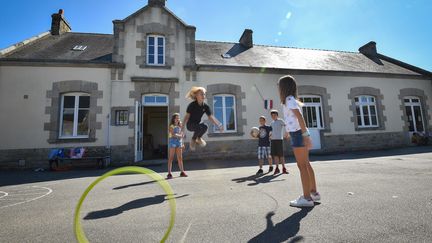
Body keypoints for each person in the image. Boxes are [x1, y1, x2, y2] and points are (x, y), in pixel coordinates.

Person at [278, 75, 320, 207]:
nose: (278, 89)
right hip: (297, 133)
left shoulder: (289, 99)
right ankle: (314, 193)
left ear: (283, 87)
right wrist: (288, 131)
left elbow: (300, 117)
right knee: (306, 164)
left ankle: (306, 198)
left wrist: (305, 135)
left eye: (279, 86)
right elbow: (293, 119)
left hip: (299, 134)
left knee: (302, 166)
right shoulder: (292, 100)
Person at [182, 86, 223, 151]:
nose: (203, 95)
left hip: (197, 125)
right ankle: (193, 140)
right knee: (199, 127)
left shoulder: (205, 107)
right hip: (190, 125)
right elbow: (186, 118)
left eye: (204, 94)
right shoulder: (192, 105)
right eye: (201, 94)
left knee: (205, 126)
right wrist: (182, 129)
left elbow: (211, 117)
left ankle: (199, 138)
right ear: (196, 95)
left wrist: (219, 125)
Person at [167, 113, 187, 179]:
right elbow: (173, 134)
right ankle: (169, 173)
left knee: (180, 157)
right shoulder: (171, 126)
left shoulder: (180, 125)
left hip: (179, 142)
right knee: (171, 157)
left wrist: (183, 143)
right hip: (172, 142)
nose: (178, 119)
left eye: (178, 118)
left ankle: (182, 172)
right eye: (176, 118)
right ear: (173, 119)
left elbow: (182, 134)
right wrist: (180, 135)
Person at [270, 110, 289, 175]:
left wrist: (286, 133)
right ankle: (277, 168)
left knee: (281, 155)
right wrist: (270, 135)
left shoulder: (280, 121)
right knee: (275, 155)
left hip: (279, 140)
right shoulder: (272, 123)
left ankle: (284, 168)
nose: (273, 116)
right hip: (273, 140)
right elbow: (271, 131)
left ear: (277, 115)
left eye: (274, 115)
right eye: (272, 115)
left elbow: (286, 125)